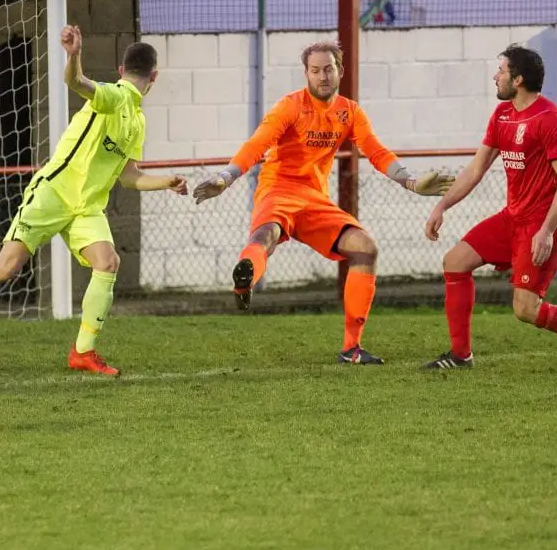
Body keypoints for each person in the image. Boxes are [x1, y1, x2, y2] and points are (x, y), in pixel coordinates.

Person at [0, 26, 187, 377]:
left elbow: (128, 175)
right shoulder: (116, 96)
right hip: (52, 194)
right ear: (154, 76)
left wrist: (166, 182)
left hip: (85, 207)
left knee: (107, 262)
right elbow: (78, 83)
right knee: (5, 268)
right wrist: (73, 56)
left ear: (120, 67)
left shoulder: (137, 121)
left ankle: (83, 352)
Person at [193, 41, 453, 364]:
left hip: (315, 200)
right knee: (266, 236)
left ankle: (351, 349)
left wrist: (411, 182)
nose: (322, 77)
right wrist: (225, 177)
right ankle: (245, 278)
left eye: (328, 69)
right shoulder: (289, 107)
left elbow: (376, 151)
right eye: (314, 71)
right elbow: (257, 145)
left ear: (340, 71)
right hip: (278, 190)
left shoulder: (349, 112)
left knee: (366, 249)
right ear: (306, 74)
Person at [422, 44, 557, 369]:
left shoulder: (549, 119)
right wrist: (442, 206)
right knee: (455, 262)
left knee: (525, 309)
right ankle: (461, 356)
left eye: (501, 71)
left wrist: (546, 231)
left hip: (544, 223)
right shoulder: (502, 114)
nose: (495, 77)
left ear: (518, 80)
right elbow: (476, 169)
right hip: (513, 217)